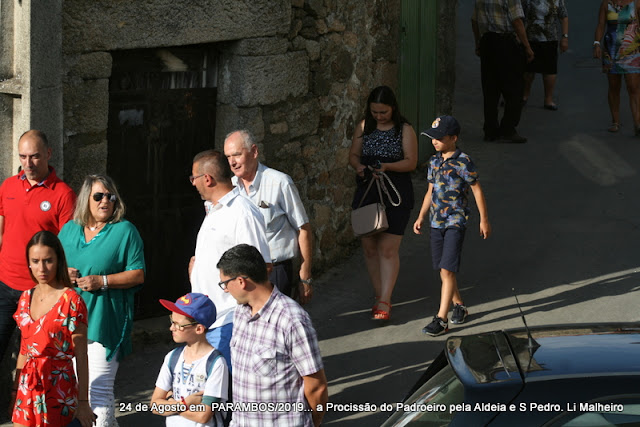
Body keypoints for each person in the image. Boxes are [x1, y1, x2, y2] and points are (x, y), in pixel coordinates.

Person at [58, 174, 146, 426]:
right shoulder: (69, 230)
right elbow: (50, 266)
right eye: (98, 196)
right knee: (73, 390)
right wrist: (63, 274)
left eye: (110, 196)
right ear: (86, 199)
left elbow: (138, 274)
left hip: (104, 320)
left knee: (98, 390)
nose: (105, 201)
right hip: (68, 322)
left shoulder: (124, 231)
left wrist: (103, 281)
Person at [217, 244, 328, 426]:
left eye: (225, 284)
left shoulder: (291, 320)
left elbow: (316, 387)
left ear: (241, 282)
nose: (226, 290)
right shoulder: (240, 313)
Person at [188, 150, 271, 369]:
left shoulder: (242, 213)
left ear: (207, 179)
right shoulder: (216, 210)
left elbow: (259, 267)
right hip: (209, 320)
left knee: (227, 385)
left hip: (230, 319)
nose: (193, 183)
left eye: (194, 178)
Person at [0, 130, 76, 360]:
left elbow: (68, 244)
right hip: (4, 284)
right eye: (23, 157)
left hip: (39, 289)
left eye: (34, 156)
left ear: (48, 154)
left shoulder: (63, 194)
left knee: (35, 356)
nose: (28, 163)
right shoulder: (8, 186)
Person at [413, 116, 491, 337]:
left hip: (455, 221)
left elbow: (476, 190)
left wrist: (484, 219)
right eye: (432, 138)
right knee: (443, 269)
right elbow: (430, 191)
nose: (434, 141)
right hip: (435, 222)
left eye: (439, 138)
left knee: (447, 269)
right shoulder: (434, 161)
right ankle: (459, 306)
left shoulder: (463, 161)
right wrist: (420, 216)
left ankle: (441, 319)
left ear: (453, 138)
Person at [10, 231, 95, 427]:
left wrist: (83, 402)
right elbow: (24, 349)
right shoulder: (25, 298)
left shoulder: (72, 301)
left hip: (58, 388)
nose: (41, 268)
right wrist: (15, 392)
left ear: (58, 261)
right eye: (35, 261)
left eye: (48, 260)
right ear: (28, 263)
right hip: (27, 387)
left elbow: (82, 356)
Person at [348, 86, 417, 321]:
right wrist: (358, 166)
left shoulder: (404, 129)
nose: (379, 116)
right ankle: (379, 295)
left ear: (393, 108)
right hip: (368, 190)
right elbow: (353, 155)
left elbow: (411, 162)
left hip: (395, 192)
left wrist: (387, 166)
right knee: (369, 247)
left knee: (387, 249)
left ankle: (385, 300)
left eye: (383, 112)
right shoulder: (363, 126)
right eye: (375, 112)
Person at [223, 129, 314, 303]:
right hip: (241, 275)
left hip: (275, 273)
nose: (232, 162)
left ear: (254, 151)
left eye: (237, 155)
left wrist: (305, 276)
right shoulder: (230, 188)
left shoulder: (279, 182)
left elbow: (303, 228)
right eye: (228, 157)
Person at [151, 292, 229, 427]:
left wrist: (171, 403)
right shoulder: (172, 357)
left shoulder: (216, 363)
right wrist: (185, 404)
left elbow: (203, 416)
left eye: (178, 324)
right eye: (172, 321)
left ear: (198, 329)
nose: (171, 328)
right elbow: (155, 405)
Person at [472, 0, 535, 143]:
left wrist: (478, 42)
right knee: (515, 88)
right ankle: (508, 128)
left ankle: (490, 130)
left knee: (490, 89)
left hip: (487, 42)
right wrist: (527, 46)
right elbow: (517, 21)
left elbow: (474, 21)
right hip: (505, 42)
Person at [594, 0, 640, 134]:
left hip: (632, 50)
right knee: (614, 86)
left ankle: (637, 123)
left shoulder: (636, 3)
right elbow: (601, 24)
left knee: (633, 87)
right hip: (611, 50)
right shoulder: (606, 4)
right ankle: (615, 121)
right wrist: (596, 43)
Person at [522, 0, 569, 110]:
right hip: (530, 38)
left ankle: (548, 99)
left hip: (550, 38)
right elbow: (520, 16)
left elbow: (564, 17)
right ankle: (524, 95)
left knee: (549, 70)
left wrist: (565, 37)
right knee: (528, 70)